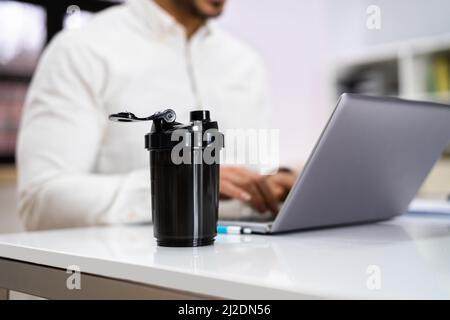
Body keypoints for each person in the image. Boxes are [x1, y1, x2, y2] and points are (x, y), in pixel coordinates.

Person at [17, 0, 296, 230]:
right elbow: (40, 203)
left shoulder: (245, 63)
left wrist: (274, 185)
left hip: (245, 270)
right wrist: (183, 184)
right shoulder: (81, 50)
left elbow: (246, 176)